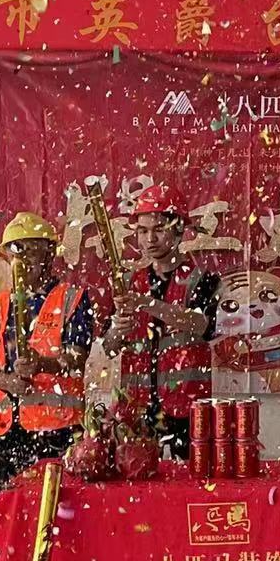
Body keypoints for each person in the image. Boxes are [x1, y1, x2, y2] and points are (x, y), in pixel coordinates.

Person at [0, 211, 93, 498]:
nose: (23, 258)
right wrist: (5, 381)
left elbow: (77, 358)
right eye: (15, 250)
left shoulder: (72, 298)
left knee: (56, 510)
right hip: (4, 432)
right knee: (5, 512)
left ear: (50, 252)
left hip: (57, 431)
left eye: (31, 249)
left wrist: (41, 363)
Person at [105, 182, 217, 459]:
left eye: (159, 229)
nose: (150, 239)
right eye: (143, 231)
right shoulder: (128, 282)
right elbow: (109, 347)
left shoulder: (202, 279)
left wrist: (146, 303)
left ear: (178, 230)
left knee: (192, 481)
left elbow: (201, 324)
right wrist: (117, 331)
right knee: (135, 480)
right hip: (136, 409)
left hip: (187, 409)